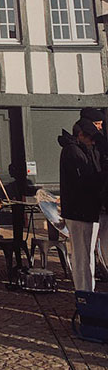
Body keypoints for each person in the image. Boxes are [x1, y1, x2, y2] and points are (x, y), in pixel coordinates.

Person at [58, 117, 103, 292]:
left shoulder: (83, 150)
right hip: (79, 212)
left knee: (86, 255)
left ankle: (87, 291)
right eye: (91, 138)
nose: (93, 142)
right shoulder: (73, 152)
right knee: (82, 256)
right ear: (81, 135)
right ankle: (84, 293)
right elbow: (84, 181)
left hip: (86, 211)